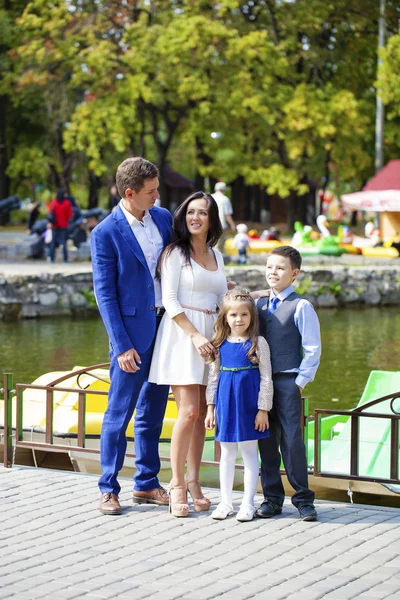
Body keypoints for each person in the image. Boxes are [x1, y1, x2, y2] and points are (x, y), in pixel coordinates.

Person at [90, 157, 173, 515]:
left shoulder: (165, 219)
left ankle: (147, 483)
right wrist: (121, 345)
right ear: (130, 193)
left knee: (153, 409)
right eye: (151, 191)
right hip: (131, 335)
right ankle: (108, 487)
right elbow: (104, 293)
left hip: (166, 327)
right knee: (118, 412)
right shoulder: (105, 233)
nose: (157, 196)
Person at [148, 191, 227, 517]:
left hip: (211, 336)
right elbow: (170, 300)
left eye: (203, 213)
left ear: (212, 220)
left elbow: (222, 297)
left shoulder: (217, 255)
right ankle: (176, 483)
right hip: (183, 335)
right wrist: (194, 335)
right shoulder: (174, 254)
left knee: (201, 419)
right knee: (189, 412)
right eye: (191, 212)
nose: (196, 217)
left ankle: (195, 481)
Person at [255, 245, 321, 522]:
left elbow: (313, 348)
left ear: (294, 274)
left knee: (293, 441)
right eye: (270, 266)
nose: (273, 272)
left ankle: (304, 499)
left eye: (280, 268)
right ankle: (272, 499)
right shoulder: (257, 304)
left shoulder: (301, 306)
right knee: (266, 441)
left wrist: (300, 382)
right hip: (260, 383)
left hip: (287, 381)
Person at [205, 289, 273, 522]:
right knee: (226, 453)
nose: (239, 319)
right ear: (225, 317)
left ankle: (247, 503)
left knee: (249, 452)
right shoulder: (219, 343)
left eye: (244, 315)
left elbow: (266, 377)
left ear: (252, 317)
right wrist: (210, 407)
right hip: (225, 402)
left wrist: (263, 409)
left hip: (249, 404)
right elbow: (213, 377)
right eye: (233, 315)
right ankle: (225, 502)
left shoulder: (258, 343)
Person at [47, 189, 73, 263]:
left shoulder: (54, 202)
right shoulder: (67, 203)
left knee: (52, 243)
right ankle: (65, 259)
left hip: (54, 225)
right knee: (64, 243)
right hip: (63, 225)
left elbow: (50, 213)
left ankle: (51, 259)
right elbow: (70, 215)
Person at [212, 182, 235, 252]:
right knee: (219, 245)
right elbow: (227, 214)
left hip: (209, 224)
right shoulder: (225, 199)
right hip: (220, 224)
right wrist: (232, 225)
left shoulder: (210, 197)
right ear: (224, 190)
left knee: (211, 244)